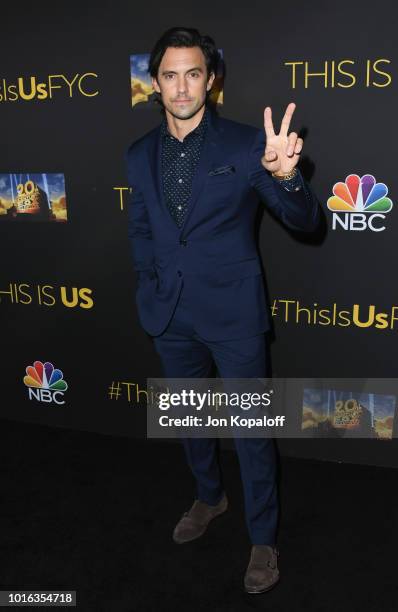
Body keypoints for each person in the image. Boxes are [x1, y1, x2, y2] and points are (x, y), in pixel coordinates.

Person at [126, 26, 320, 594]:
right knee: (190, 421)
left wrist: (286, 178)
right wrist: (148, 286)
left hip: (234, 315)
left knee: (252, 432)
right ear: (154, 82)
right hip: (169, 314)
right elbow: (141, 228)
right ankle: (209, 497)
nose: (181, 87)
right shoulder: (137, 154)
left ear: (211, 81)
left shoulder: (243, 144)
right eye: (169, 74)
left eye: (193, 74)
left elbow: (307, 223)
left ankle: (263, 537)